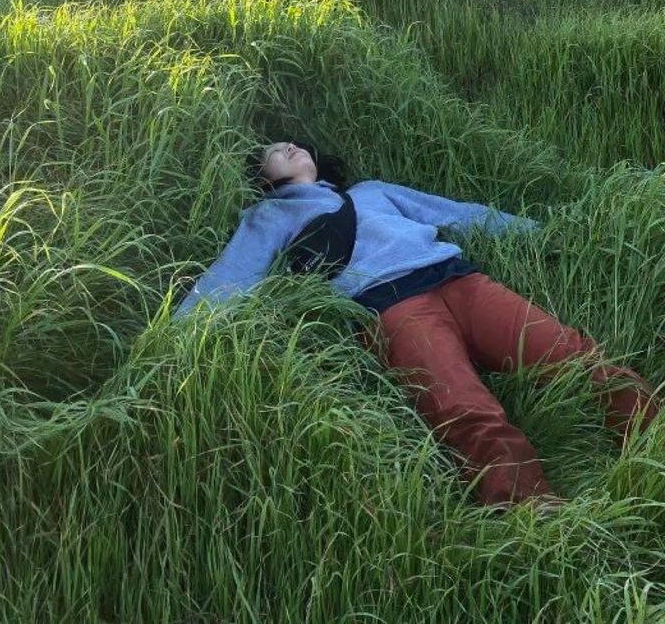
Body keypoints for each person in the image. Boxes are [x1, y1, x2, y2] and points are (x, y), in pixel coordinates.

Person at [172, 140, 660, 509]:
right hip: (391, 309)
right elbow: (231, 275)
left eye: (293, 143)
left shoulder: (371, 191)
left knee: (572, 355)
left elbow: (458, 215)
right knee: (465, 411)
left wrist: (550, 232)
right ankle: (539, 518)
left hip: (461, 282)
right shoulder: (270, 214)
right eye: (273, 152)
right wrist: (173, 338)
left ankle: (653, 439)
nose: (287, 146)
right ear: (263, 178)